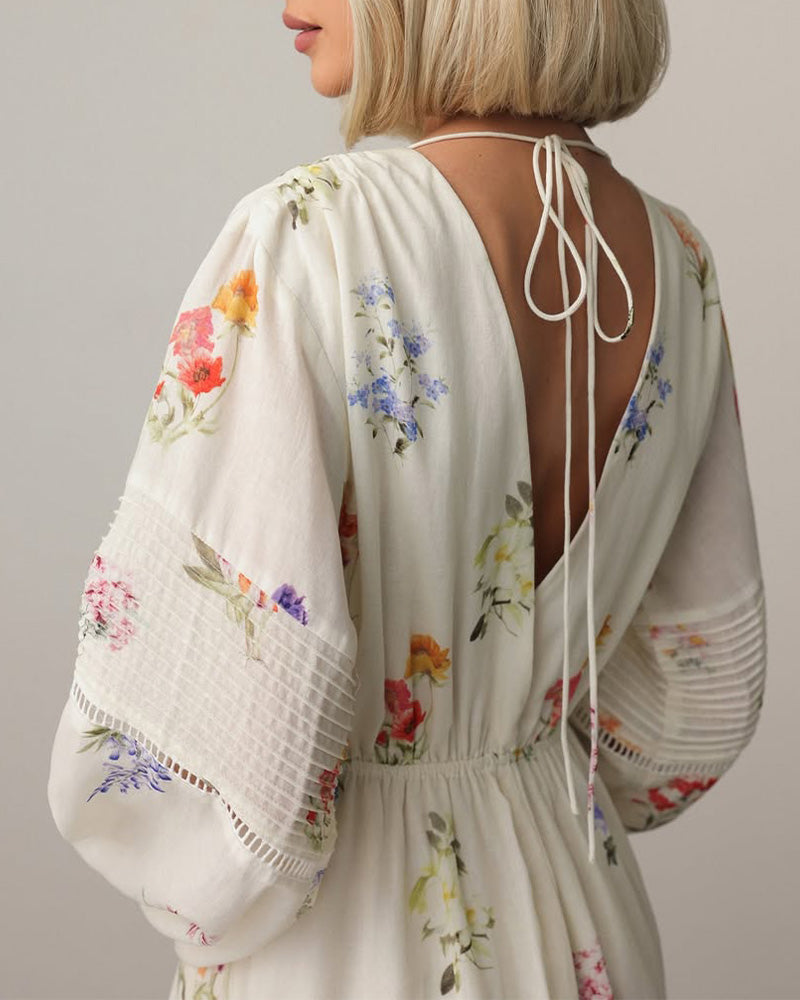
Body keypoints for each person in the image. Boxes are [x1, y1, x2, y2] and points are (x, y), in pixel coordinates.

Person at [46, 0, 768, 997]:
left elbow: (211, 741)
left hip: (349, 937)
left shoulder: (311, 233)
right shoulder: (677, 261)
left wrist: (186, 865)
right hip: (573, 904)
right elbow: (695, 694)